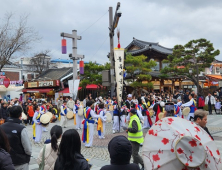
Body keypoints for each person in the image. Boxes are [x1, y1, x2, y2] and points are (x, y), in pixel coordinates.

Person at [1, 106, 32, 170]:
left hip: (4, 161)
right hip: (20, 162)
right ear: (21, 115)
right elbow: (28, 149)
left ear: (9, 114)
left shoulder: (1, 127)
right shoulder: (21, 129)